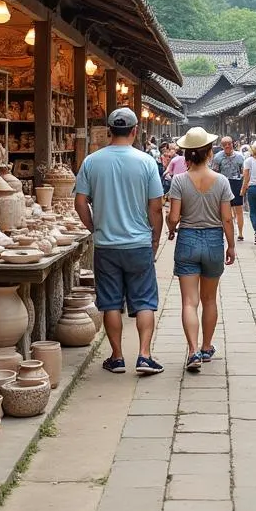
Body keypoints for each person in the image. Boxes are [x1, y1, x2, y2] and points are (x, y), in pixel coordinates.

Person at [74, 107, 165, 377]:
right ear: (135, 131)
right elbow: (156, 207)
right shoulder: (147, 162)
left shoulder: (92, 161)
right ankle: (145, 355)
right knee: (145, 301)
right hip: (138, 243)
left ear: (109, 131)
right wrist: (155, 238)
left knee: (110, 302)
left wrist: (94, 228)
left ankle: (116, 356)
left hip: (106, 245)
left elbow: (80, 203)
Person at [167, 127, 236, 371]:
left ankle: (193, 351)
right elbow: (227, 218)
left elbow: (174, 216)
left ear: (188, 154)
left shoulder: (179, 180)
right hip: (214, 241)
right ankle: (207, 347)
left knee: (189, 302)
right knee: (209, 299)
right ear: (209, 152)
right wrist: (231, 246)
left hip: (187, 240)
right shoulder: (222, 181)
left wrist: (171, 228)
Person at [211, 136, 247, 242]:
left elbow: (243, 172)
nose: (227, 146)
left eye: (229, 143)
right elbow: (215, 173)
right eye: (224, 144)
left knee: (239, 209)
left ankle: (240, 233)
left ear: (233, 144)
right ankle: (225, 231)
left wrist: (243, 185)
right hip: (223, 184)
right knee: (224, 210)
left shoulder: (240, 157)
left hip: (236, 183)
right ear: (222, 146)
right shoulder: (217, 157)